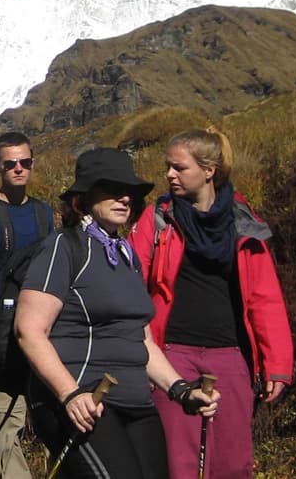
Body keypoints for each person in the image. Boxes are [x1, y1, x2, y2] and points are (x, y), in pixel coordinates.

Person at [17, 148, 219, 478]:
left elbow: (142, 342)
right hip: (84, 401)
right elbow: (28, 330)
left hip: (137, 402)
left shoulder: (126, 255)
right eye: (111, 189)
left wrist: (181, 389)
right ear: (82, 200)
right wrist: (70, 394)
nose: (125, 197)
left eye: (130, 192)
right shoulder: (64, 247)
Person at [127, 129, 293, 478]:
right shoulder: (157, 219)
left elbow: (264, 297)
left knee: (233, 463)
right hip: (172, 352)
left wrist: (276, 363)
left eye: (178, 167)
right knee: (176, 462)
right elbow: (132, 283)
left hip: (230, 354)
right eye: (167, 167)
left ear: (209, 170)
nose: (169, 175)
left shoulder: (244, 221)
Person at [0, 131, 54, 478]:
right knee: (5, 421)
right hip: (1, 334)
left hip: (43, 332)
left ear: (32, 162)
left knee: (50, 413)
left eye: (25, 162)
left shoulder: (44, 213)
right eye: (10, 164)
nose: (19, 169)